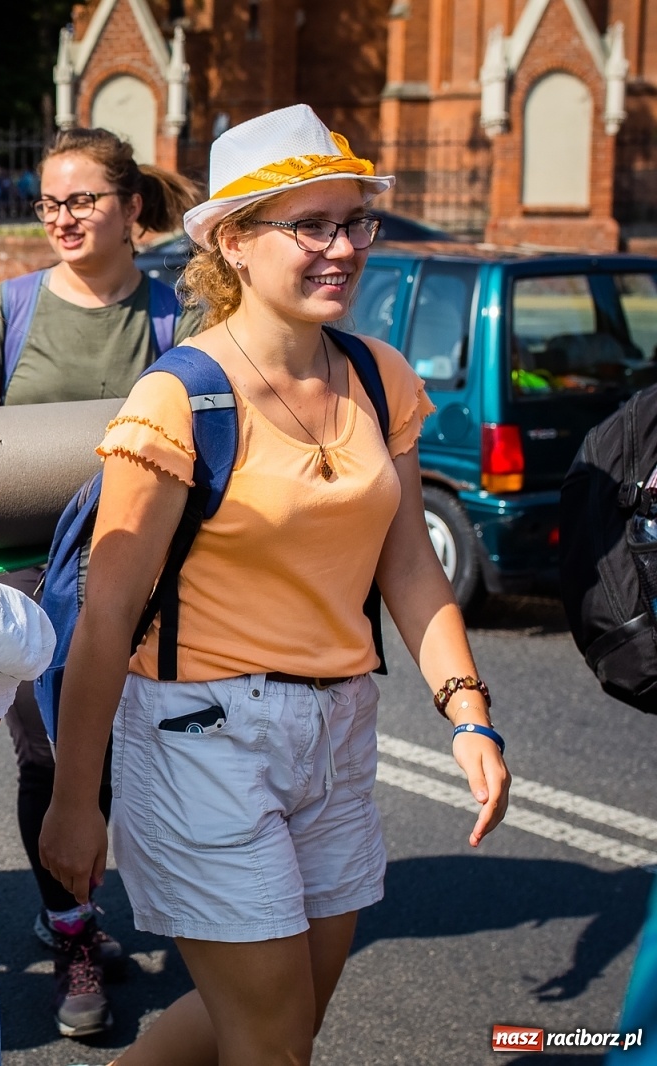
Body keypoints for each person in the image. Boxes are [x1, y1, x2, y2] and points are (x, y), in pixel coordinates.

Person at [39, 104, 512, 1066]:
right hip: (202, 736)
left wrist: (469, 714)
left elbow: (411, 566)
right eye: (312, 226)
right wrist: (75, 800)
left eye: (355, 222)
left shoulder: (380, 378)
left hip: (338, 732)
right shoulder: (181, 395)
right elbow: (107, 617)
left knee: (284, 1018)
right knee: (272, 1046)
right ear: (234, 244)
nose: (343, 248)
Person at [0, 126, 203, 1038]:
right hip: (22, 571)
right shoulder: (5, 311)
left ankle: (125, 915)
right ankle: (71, 934)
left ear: (132, 209)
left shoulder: (180, 317)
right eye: (49, 201)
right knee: (53, 755)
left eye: (81, 201)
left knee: (134, 756)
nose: (59, 217)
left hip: (143, 565)